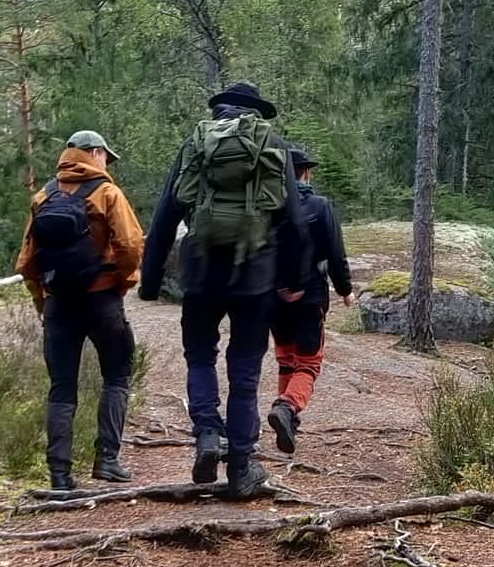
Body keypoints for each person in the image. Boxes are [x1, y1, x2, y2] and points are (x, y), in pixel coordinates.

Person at [138, 81, 311, 498]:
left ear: (220, 111)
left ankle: (207, 435)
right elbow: (295, 221)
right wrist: (294, 279)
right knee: (245, 371)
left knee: (200, 358)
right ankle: (241, 466)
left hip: (200, 275)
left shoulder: (195, 144)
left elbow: (165, 216)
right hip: (255, 278)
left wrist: (149, 281)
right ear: (255, 113)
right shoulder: (271, 144)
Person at [16, 130, 145, 492]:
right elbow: (132, 245)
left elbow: (27, 262)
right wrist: (123, 282)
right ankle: (107, 460)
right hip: (102, 300)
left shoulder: (43, 197)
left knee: (61, 387)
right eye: (106, 156)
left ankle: (60, 475)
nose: (107, 163)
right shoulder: (107, 193)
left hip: (59, 304)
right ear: (96, 153)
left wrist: (42, 300)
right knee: (117, 376)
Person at [267, 146, 355, 455]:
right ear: (306, 172)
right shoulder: (320, 206)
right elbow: (335, 253)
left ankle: (288, 417)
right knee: (309, 362)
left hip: (273, 299)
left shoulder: (267, 207)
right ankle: (288, 408)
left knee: (285, 358)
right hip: (310, 296)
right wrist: (345, 290)